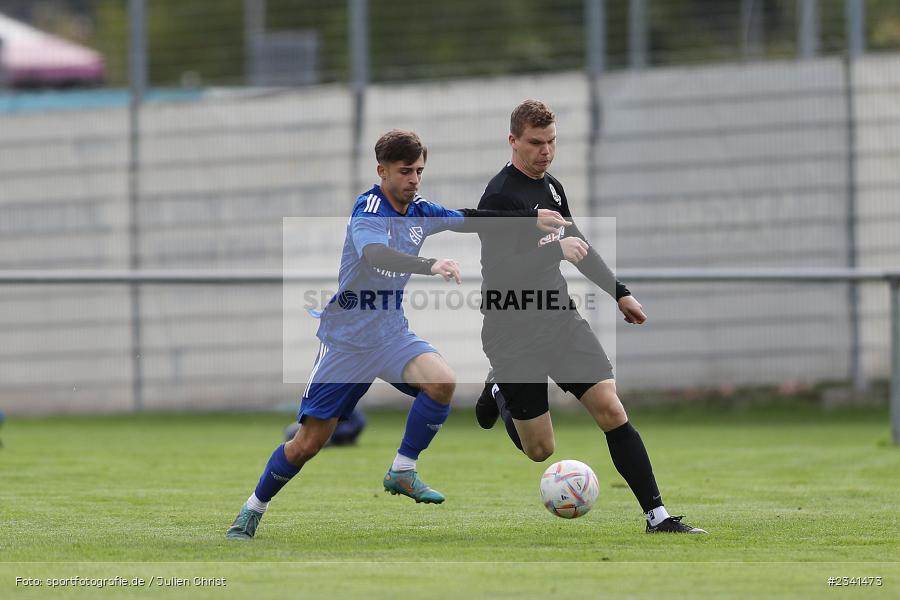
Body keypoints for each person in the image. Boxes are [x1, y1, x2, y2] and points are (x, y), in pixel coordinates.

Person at [226, 129, 568, 539]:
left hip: (390, 335)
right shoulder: (369, 208)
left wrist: (529, 220)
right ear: (382, 171)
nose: (414, 179)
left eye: (419, 171)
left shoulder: (420, 210)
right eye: (406, 171)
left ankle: (403, 470)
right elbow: (374, 254)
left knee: (441, 381)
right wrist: (429, 264)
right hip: (346, 343)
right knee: (307, 443)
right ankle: (253, 508)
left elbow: (470, 220)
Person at [474, 100, 706, 534]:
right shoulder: (499, 196)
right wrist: (551, 250)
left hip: (559, 319)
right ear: (513, 142)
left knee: (611, 409)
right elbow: (501, 271)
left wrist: (620, 292)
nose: (545, 151)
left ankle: (658, 517)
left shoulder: (553, 189)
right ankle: (501, 388)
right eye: (535, 143)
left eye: (552, 142)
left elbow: (576, 241)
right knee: (541, 450)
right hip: (513, 329)